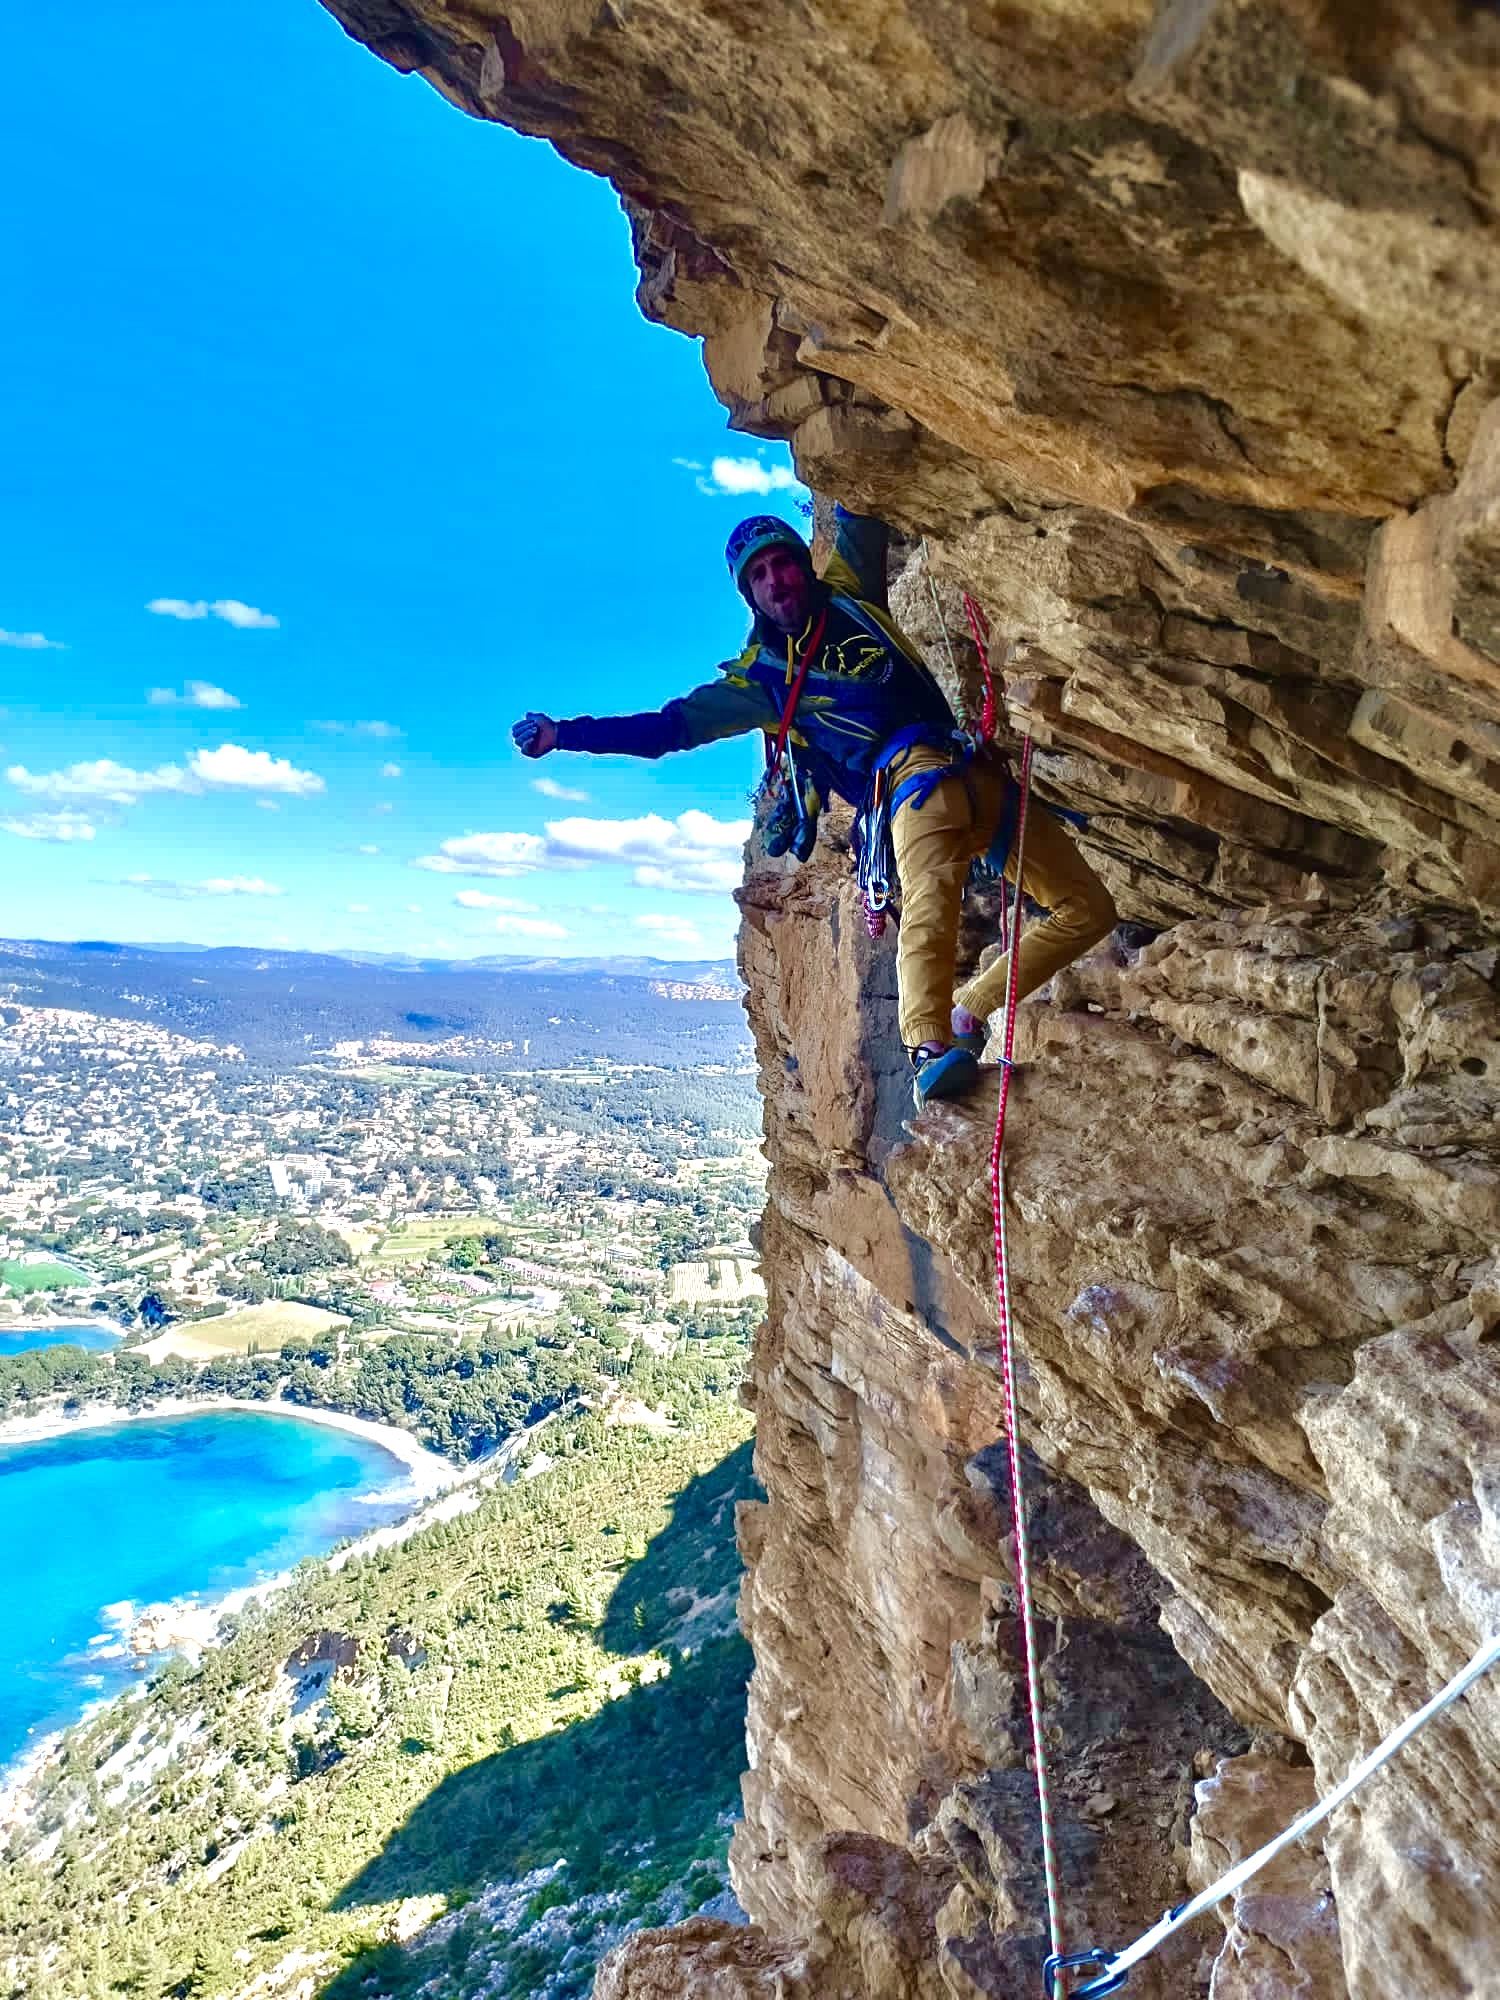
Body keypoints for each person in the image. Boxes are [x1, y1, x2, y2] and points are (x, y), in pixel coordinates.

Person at [513, 508, 1116, 1105]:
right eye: (759, 575)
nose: (776, 580)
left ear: (803, 565)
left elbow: (859, 512)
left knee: (1087, 910)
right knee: (934, 903)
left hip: (975, 773)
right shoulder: (763, 680)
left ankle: (970, 1010)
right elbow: (670, 729)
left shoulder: (852, 596)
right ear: (749, 594)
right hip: (909, 785)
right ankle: (927, 1047)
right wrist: (565, 734)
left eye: (782, 563)